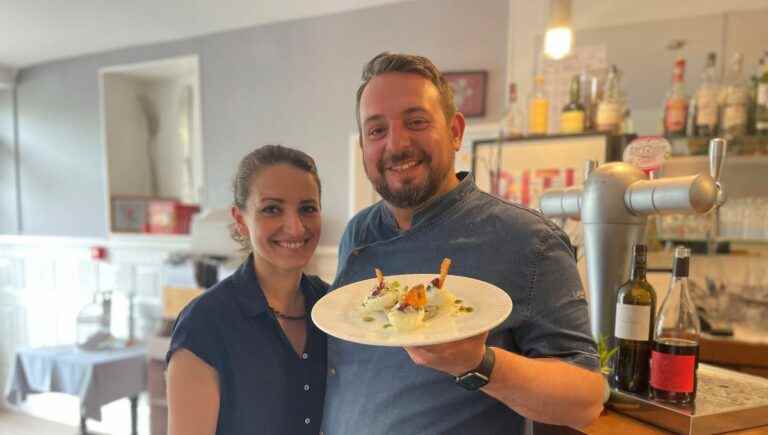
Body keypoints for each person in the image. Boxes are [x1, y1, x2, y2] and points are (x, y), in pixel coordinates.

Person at [322, 53, 605, 435]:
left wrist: (479, 364)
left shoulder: (529, 239)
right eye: (376, 130)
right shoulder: (358, 235)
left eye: (416, 121)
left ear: (455, 131)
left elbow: (585, 400)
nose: (397, 143)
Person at [166, 145, 328, 435]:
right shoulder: (204, 324)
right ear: (241, 220)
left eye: (307, 208)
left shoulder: (331, 308)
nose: (295, 226)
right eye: (272, 209)